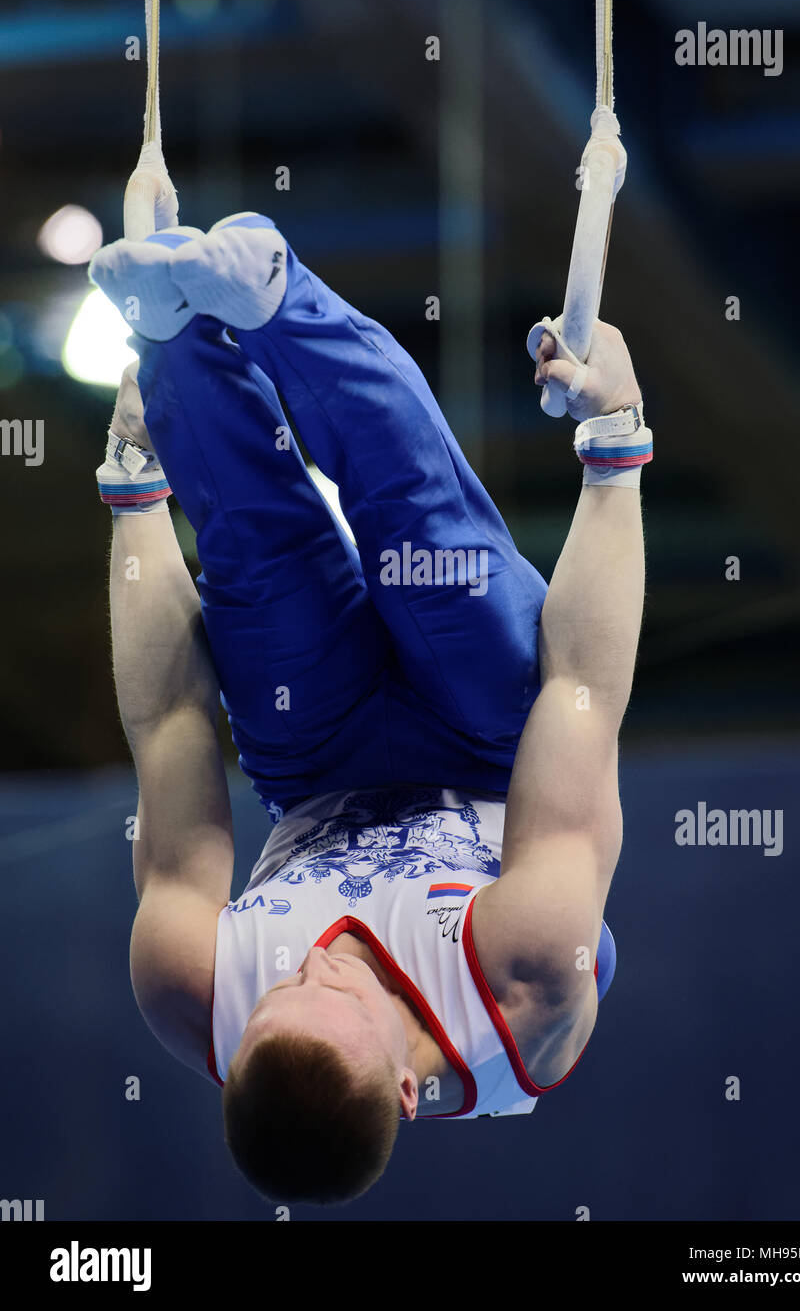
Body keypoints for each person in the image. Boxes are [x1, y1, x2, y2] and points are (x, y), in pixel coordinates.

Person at [89, 211, 652, 1206]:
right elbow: (583, 692)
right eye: (330, 990)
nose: (305, 963)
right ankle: (277, 298)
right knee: (421, 519)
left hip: (313, 755)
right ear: (407, 1080)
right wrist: (614, 445)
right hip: (488, 738)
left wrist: (136, 497)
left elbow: (169, 722)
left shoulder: (191, 990)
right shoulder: (526, 981)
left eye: (280, 990)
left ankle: (172, 338)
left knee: (257, 554)